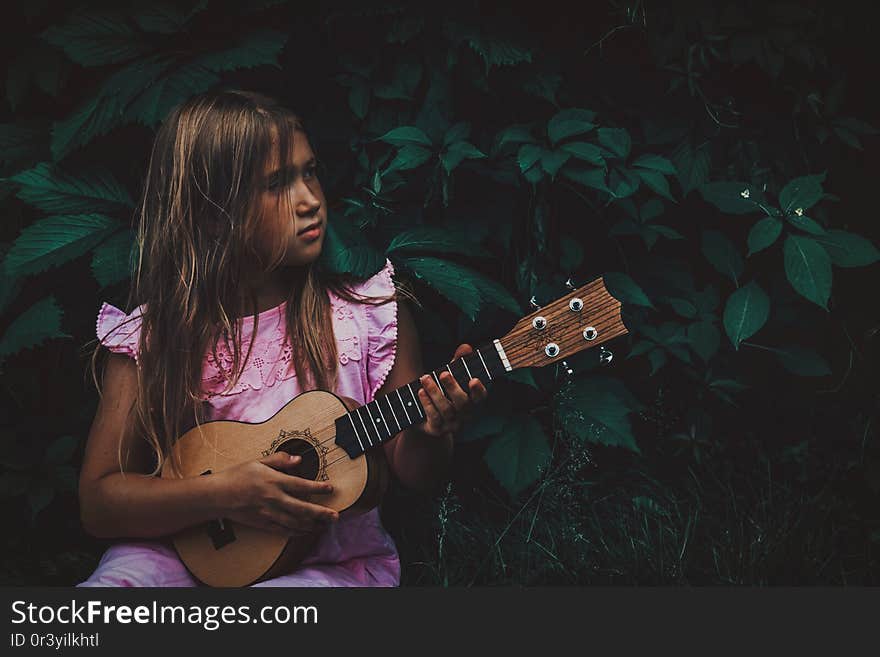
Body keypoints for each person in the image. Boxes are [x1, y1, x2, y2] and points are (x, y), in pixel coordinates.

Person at [76, 89, 488, 587]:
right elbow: (99, 505)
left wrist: (430, 432)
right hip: (179, 552)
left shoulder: (367, 313)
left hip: (328, 569)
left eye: (310, 172)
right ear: (211, 213)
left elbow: (416, 473)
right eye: (277, 184)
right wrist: (224, 496)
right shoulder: (158, 336)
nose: (311, 200)